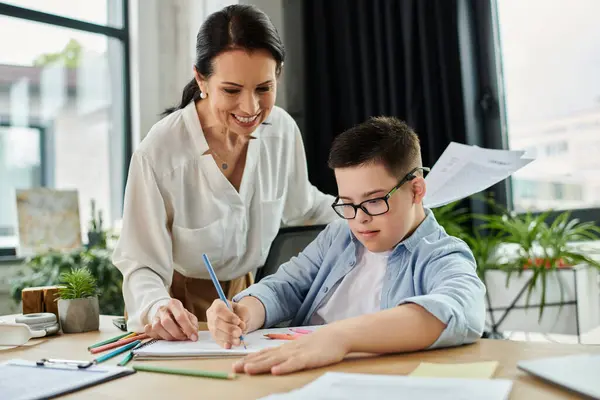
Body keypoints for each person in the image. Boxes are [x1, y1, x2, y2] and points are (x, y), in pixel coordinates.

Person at [112, 4, 337, 339]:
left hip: (246, 298)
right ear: (201, 79)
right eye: (231, 90)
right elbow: (140, 262)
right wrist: (158, 307)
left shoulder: (282, 131)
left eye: (264, 88)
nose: (250, 108)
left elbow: (302, 206)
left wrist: (364, 208)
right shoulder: (160, 152)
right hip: (177, 305)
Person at [206, 116, 486, 375]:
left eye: (375, 201)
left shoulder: (441, 253)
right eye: (348, 204)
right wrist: (245, 313)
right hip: (301, 376)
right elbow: (283, 287)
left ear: (416, 190)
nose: (360, 219)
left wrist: (340, 337)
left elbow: (460, 310)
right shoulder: (338, 237)